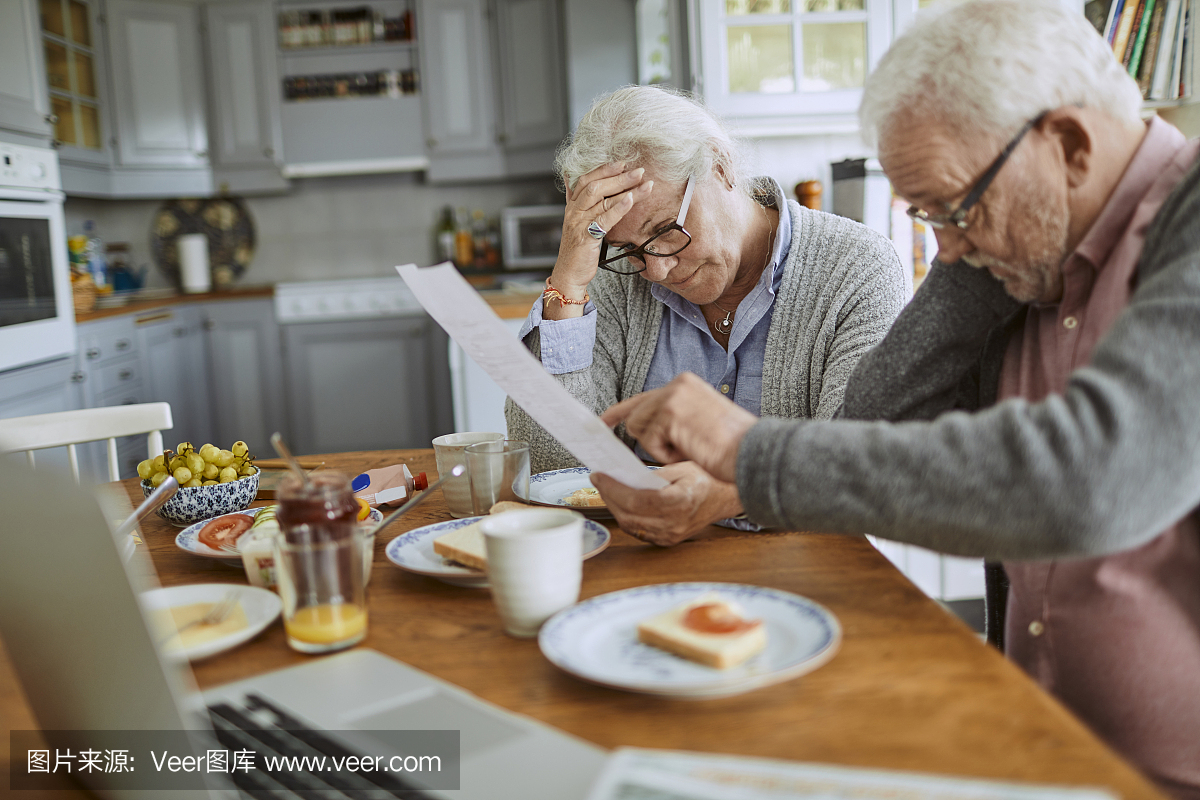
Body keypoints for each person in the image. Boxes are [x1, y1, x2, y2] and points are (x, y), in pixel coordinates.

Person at [598, 2, 1200, 796]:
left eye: (953, 209)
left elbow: (1092, 480)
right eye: (926, 216)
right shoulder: (1029, 252)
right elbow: (877, 420)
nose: (942, 246)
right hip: (1034, 750)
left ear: (1072, 147)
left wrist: (745, 451)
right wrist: (979, 242)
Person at [506, 85, 909, 542]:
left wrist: (735, 493)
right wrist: (568, 285)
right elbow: (553, 468)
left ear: (721, 165)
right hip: (637, 574)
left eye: (666, 230)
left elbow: (863, 470)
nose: (655, 269)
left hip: (804, 577)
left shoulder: (858, 268)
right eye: (629, 249)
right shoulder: (620, 274)